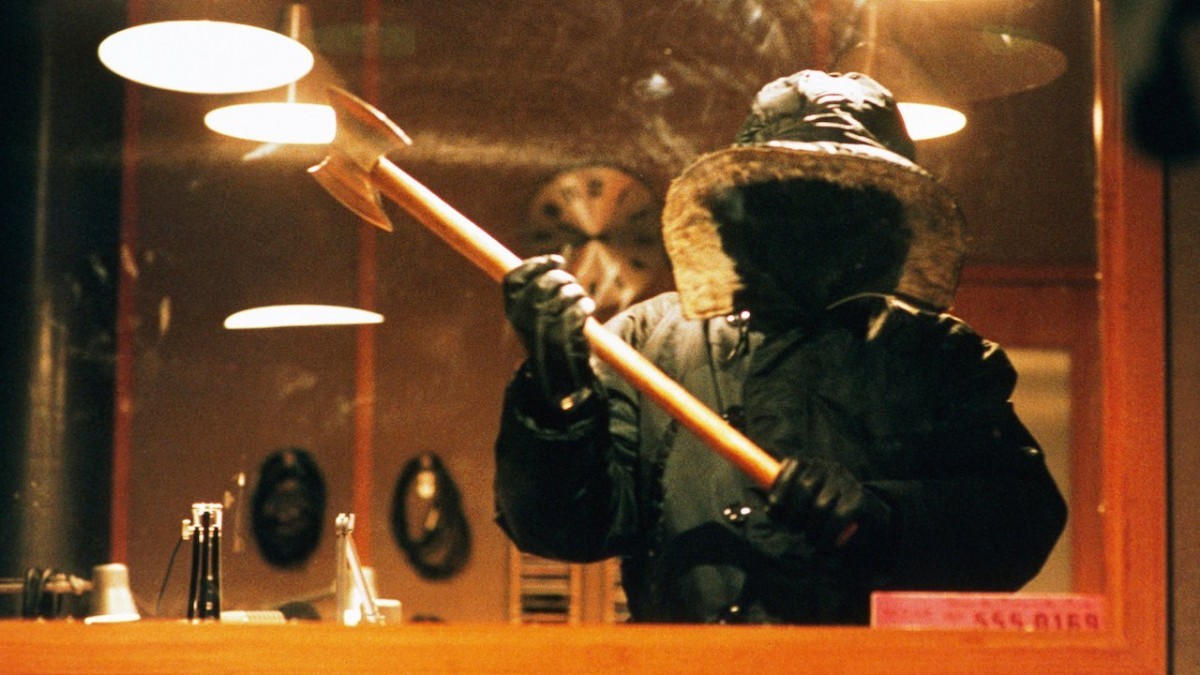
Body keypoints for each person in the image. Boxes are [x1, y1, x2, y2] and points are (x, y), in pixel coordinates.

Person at [493, 70, 1067, 624]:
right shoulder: (647, 341)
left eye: (841, 197)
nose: (811, 220)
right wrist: (557, 390)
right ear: (740, 206)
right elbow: (564, 528)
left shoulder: (937, 359)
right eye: (786, 192)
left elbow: (1018, 524)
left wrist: (880, 512)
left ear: (884, 220)